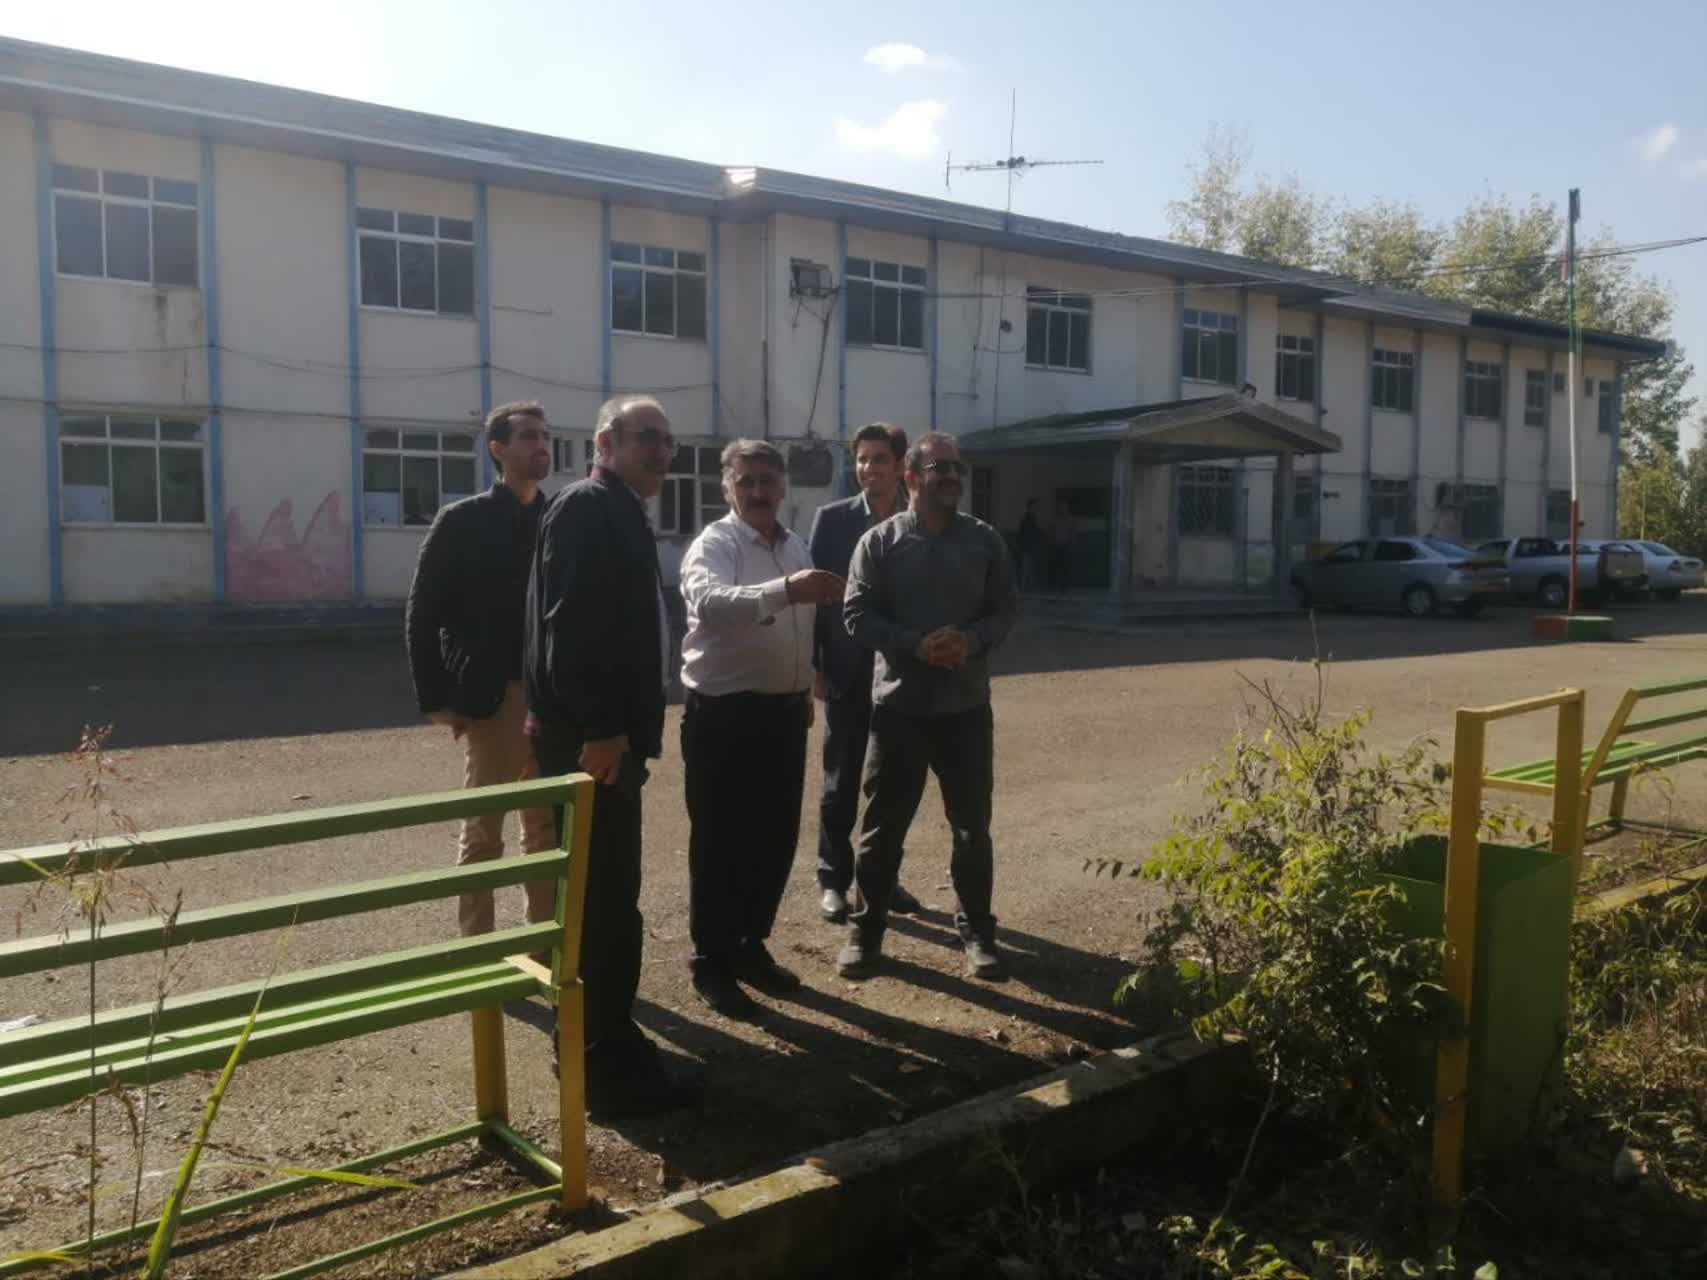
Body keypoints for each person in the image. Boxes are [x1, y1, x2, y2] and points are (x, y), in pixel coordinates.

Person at [524, 393, 692, 1116]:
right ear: (604, 443)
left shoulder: (618, 510)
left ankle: (608, 1045)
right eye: (645, 436)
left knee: (609, 902)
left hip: (608, 742)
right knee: (600, 908)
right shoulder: (587, 509)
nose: (660, 451)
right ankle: (601, 1066)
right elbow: (569, 632)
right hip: (591, 746)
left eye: (666, 441)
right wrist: (599, 728)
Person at [837, 432, 1017, 982]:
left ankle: (978, 932)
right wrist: (915, 645)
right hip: (900, 711)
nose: (952, 477)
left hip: (965, 710)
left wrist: (970, 641)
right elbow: (856, 616)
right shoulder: (879, 543)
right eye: (940, 468)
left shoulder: (984, 541)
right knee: (882, 830)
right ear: (911, 477)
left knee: (972, 829)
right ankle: (866, 934)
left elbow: (1005, 611)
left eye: (957, 468)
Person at [678, 440, 845, 1018]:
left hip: (783, 714)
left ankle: (750, 945)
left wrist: (802, 684)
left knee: (773, 839)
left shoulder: (794, 545)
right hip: (725, 715)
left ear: (783, 486)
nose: (757, 491)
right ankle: (711, 960)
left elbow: (803, 626)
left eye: (767, 480)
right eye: (745, 480)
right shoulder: (716, 543)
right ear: (726, 486)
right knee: (721, 843)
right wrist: (788, 589)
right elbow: (711, 604)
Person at [405, 400, 557, 939]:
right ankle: (477, 950)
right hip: (496, 698)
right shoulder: (463, 522)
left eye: (545, 436)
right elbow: (423, 613)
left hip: (551, 698)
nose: (542, 446)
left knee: (545, 832)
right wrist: (435, 700)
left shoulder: (558, 520)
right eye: (529, 436)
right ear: (498, 449)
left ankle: (542, 946)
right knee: (484, 834)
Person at [807, 423, 924, 926]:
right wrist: (814, 664)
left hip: (900, 674)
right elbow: (815, 599)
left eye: (878, 459)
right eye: (861, 459)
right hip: (847, 670)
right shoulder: (833, 521)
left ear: (900, 466)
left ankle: (880, 879)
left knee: (892, 783)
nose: (867, 468)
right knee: (841, 779)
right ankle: (833, 880)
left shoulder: (919, 522)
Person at [1015, 498, 1045, 591]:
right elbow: (1024, 533)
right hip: (1027, 546)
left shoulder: (1032, 518)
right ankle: (1024, 586)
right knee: (1026, 567)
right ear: (1030, 507)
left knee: (1030, 567)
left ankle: (1028, 586)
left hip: (1030, 546)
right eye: (1035, 506)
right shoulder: (1027, 519)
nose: (1037, 508)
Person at [1047, 497, 1076, 591]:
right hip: (1056, 545)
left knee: (1065, 566)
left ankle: (1064, 585)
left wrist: (1072, 544)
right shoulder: (1055, 519)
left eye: (1065, 506)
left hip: (1066, 545)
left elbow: (1072, 532)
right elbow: (1051, 531)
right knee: (1057, 565)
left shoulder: (1071, 519)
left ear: (1067, 508)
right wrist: (1051, 542)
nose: (1063, 508)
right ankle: (1057, 584)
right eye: (1061, 507)